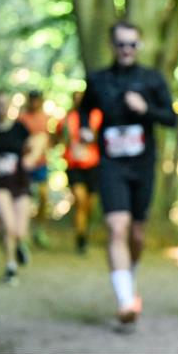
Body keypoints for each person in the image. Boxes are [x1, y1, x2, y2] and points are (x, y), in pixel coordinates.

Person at [79, 20, 178, 323]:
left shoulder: (151, 79)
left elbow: (171, 119)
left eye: (132, 44)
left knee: (136, 233)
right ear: (112, 46)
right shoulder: (98, 80)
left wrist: (145, 108)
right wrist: (84, 128)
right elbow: (84, 108)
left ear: (139, 46)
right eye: (121, 44)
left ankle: (129, 279)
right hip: (111, 164)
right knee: (116, 227)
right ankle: (125, 301)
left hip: (142, 165)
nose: (126, 49)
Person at [0, 91, 47, 285]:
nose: (0, 107)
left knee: (20, 230)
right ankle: (10, 265)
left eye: (4, 103)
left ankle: (19, 245)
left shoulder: (20, 128)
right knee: (8, 224)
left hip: (19, 181)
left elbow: (38, 141)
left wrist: (31, 158)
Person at [57, 90, 103, 254]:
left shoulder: (97, 116)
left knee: (90, 204)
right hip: (74, 165)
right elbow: (59, 138)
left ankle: (85, 232)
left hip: (93, 165)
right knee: (80, 200)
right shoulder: (67, 119)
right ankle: (80, 237)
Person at [19, 90, 54, 249]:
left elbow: (51, 139)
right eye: (31, 100)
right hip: (25, 164)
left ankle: (40, 230)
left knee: (43, 196)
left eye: (37, 100)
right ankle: (22, 231)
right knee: (24, 198)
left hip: (41, 164)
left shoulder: (47, 119)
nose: (34, 103)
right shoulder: (21, 119)